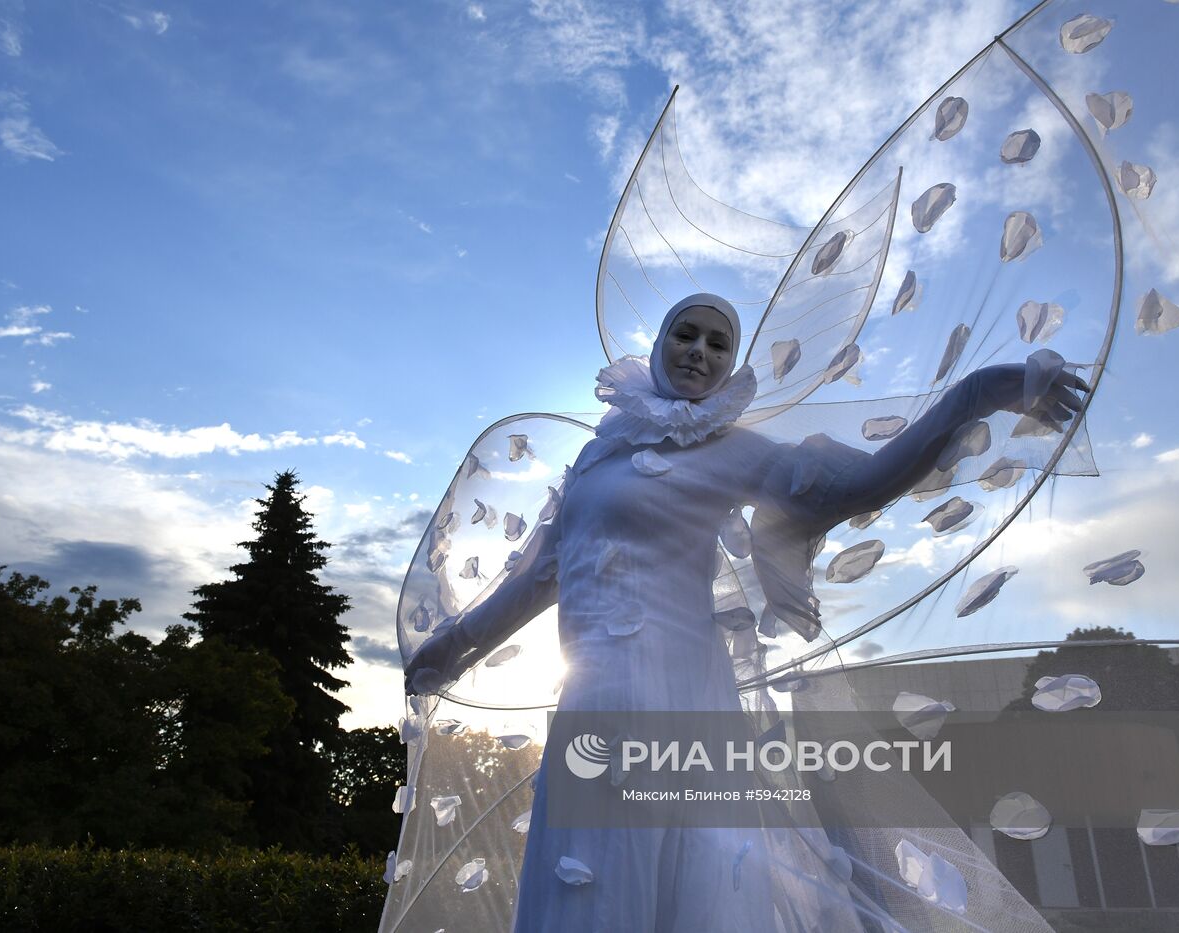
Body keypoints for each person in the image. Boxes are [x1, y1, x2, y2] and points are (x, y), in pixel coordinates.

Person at [403, 292, 1087, 931]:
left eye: (718, 343)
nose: (699, 350)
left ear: (731, 364)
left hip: (675, 702)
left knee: (642, 884)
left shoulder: (731, 450)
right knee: (582, 887)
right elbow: (538, 575)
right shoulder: (597, 454)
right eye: (687, 333)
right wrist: (454, 643)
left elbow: (862, 483)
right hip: (592, 698)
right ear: (662, 341)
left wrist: (978, 394)